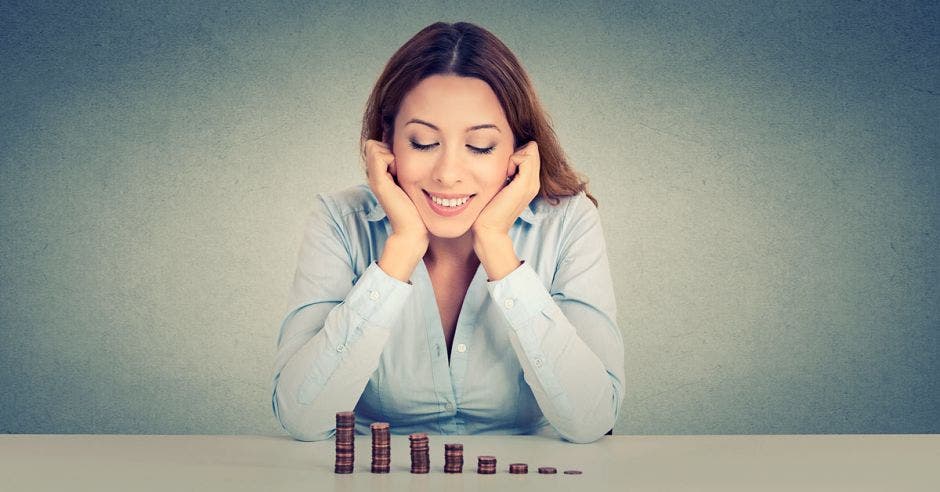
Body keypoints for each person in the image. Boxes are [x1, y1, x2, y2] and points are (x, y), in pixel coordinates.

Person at [271, 21, 624, 444]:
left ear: (519, 151)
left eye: (480, 146)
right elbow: (302, 418)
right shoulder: (340, 219)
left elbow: (592, 421)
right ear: (387, 143)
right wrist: (400, 251)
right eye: (422, 143)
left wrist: (496, 246)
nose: (448, 174)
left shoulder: (568, 221)